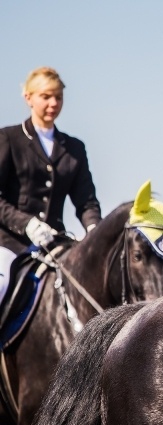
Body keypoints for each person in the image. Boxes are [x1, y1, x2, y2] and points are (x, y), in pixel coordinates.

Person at [0, 67, 101, 305]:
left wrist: (94, 229)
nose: (53, 103)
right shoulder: (9, 139)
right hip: (10, 243)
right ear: (29, 98)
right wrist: (27, 224)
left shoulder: (74, 148)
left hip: (55, 243)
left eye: (58, 97)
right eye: (46, 97)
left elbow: (86, 201)